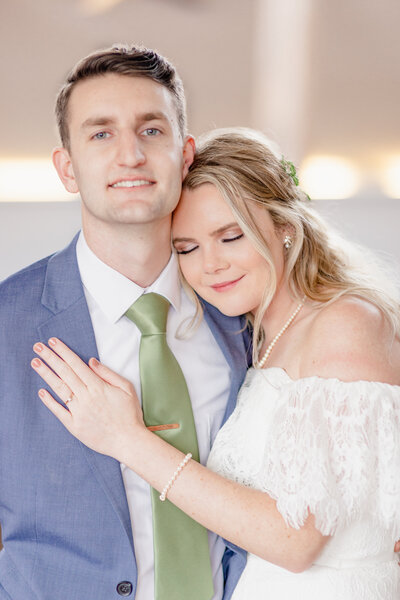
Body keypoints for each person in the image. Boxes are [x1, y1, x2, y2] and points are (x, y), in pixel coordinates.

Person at [32, 128, 400, 599]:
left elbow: (296, 541)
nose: (211, 265)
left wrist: (127, 439)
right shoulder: (257, 338)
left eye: (230, 237)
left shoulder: (345, 321)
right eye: (186, 248)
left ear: (285, 228)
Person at [0, 47, 250, 600]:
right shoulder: (5, 325)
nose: (131, 154)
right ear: (67, 168)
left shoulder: (246, 318)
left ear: (185, 155)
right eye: (100, 134)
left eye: (151, 130)